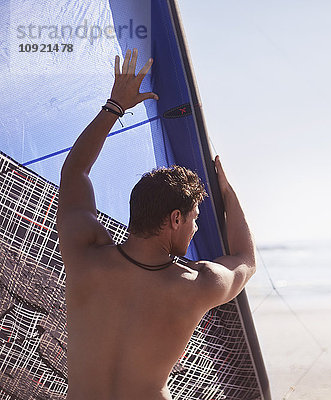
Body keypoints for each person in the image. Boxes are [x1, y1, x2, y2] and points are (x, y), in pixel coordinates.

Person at [57, 48, 256, 400]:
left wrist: (115, 106)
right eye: (194, 219)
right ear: (175, 218)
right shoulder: (198, 284)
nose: (195, 229)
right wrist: (227, 191)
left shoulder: (85, 255)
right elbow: (245, 258)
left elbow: (75, 172)